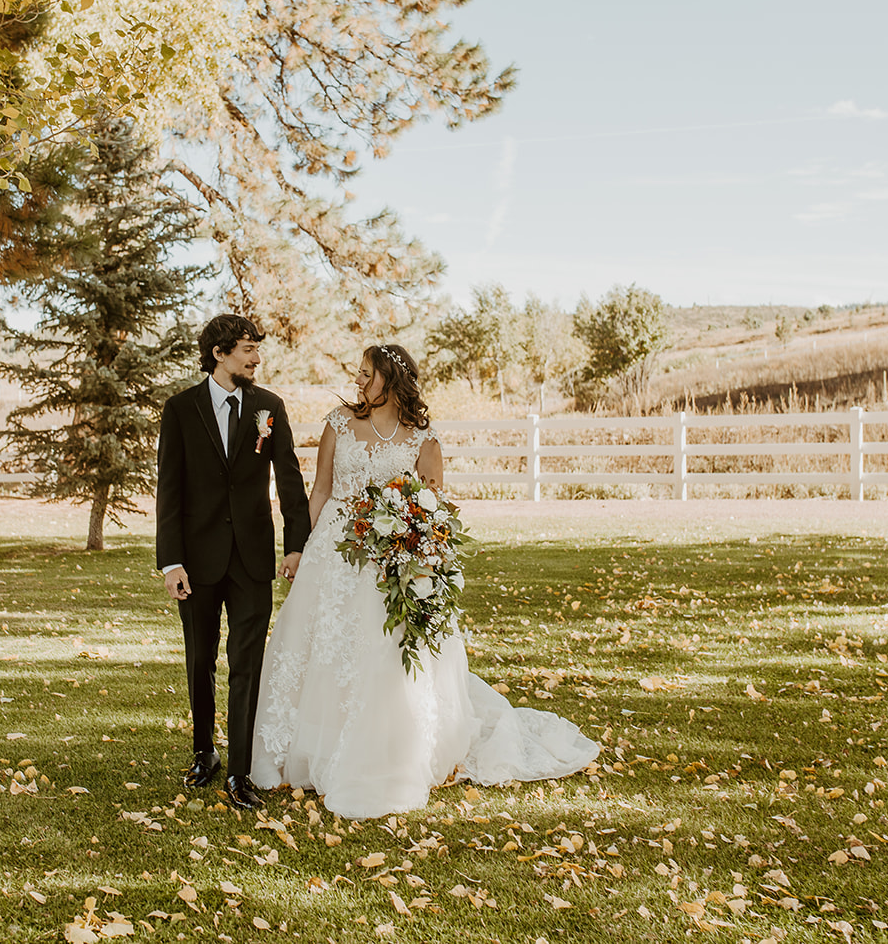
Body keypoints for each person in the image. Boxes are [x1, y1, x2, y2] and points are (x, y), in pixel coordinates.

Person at [251, 344, 599, 818]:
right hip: (333, 554)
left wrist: (422, 557)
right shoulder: (338, 423)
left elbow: (434, 509)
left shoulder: (423, 437)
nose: (358, 381)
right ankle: (309, 749)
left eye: (367, 374)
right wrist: (300, 549)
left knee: (383, 654)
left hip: (391, 561)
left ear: (391, 380)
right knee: (322, 647)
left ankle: (382, 751)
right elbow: (323, 490)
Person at [156, 314, 310, 810]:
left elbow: (288, 477)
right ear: (219, 353)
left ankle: (240, 773)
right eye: (247, 348)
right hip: (196, 562)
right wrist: (171, 562)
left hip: (250, 560)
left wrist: (295, 544)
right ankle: (205, 753)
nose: (256, 358)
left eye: (257, 349)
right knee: (200, 660)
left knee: (248, 664)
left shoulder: (269, 407)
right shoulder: (180, 410)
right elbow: (170, 491)